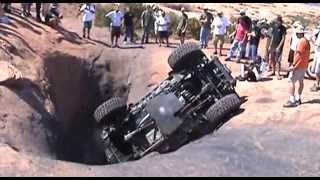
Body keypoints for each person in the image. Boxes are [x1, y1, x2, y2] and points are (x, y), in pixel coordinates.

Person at [283, 26, 310, 107]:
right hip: (304, 65)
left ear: (299, 34)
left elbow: (298, 55)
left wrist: (294, 65)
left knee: (291, 81)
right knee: (301, 81)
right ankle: (298, 98)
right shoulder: (306, 41)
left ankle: (292, 100)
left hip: (298, 66)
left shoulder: (301, 42)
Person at [268, 16, 286, 80]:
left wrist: (279, 47)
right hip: (273, 45)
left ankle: (278, 73)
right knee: (272, 59)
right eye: (276, 21)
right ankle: (273, 71)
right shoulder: (274, 27)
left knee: (278, 60)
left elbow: (283, 38)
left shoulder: (283, 28)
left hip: (279, 46)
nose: (277, 23)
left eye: (278, 21)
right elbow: (272, 36)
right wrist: (270, 45)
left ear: (280, 21)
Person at [310, 24, 320, 92]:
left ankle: (317, 84)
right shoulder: (318, 30)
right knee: (316, 69)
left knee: (317, 70)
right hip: (317, 51)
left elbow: (317, 43)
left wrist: (313, 41)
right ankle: (317, 84)